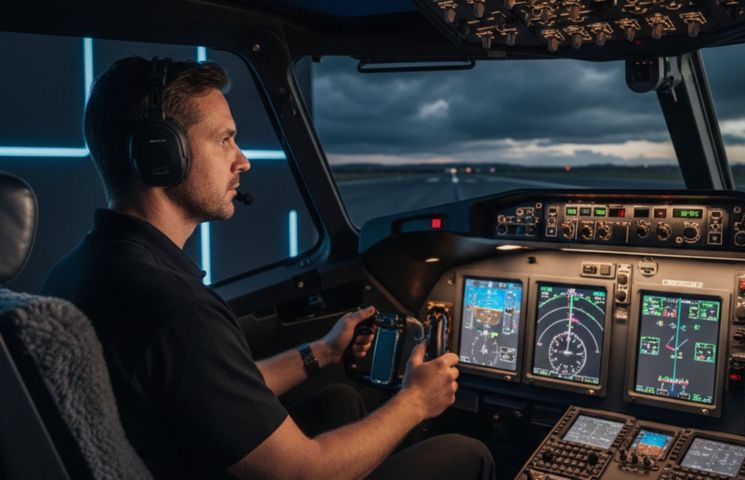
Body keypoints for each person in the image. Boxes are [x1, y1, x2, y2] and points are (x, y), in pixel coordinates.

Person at [43, 57, 494, 480]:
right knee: (464, 451)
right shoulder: (175, 308)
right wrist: (416, 402)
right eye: (224, 140)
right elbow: (303, 472)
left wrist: (324, 352)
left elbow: (207, 387)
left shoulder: (83, 270)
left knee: (340, 400)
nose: (243, 160)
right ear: (162, 154)